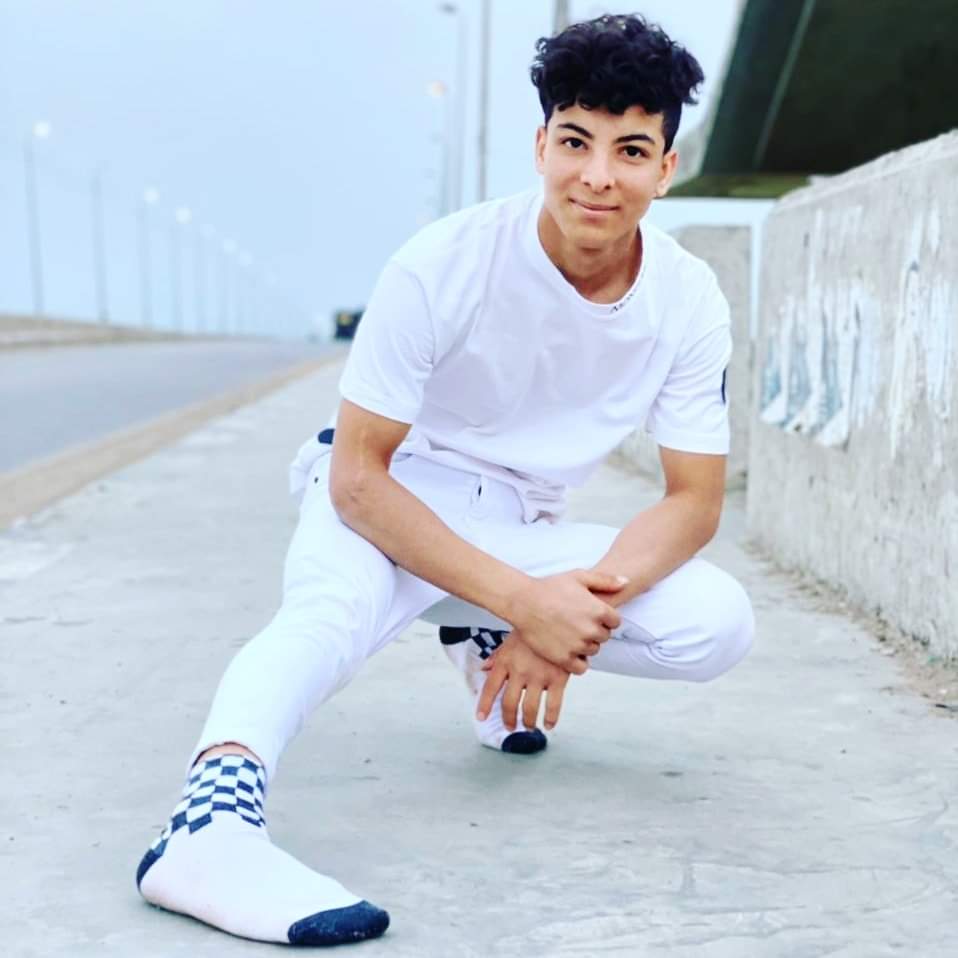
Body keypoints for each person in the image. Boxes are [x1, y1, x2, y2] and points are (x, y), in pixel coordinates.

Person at [136, 12, 754, 947]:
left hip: (518, 523)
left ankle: (480, 625)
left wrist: (558, 613)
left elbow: (693, 500)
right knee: (327, 616)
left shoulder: (688, 297)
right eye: (576, 141)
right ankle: (206, 832)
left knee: (716, 622)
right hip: (390, 501)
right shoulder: (441, 263)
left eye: (630, 150)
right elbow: (357, 478)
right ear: (541, 146)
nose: (597, 175)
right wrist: (524, 601)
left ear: (665, 168)